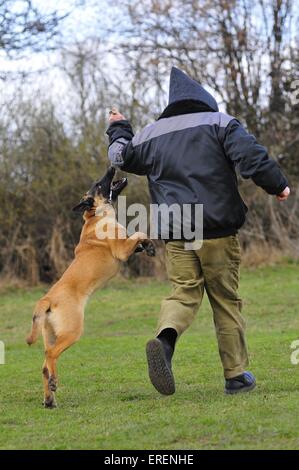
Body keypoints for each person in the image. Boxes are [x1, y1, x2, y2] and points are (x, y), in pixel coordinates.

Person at [106, 67, 290, 396]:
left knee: (183, 293)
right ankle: (235, 376)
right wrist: (277, 185)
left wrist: (119, 126)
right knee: (225, 300)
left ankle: (164, 342)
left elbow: (120, 156)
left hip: (177, 231)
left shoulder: (151, 134)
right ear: (204, 99)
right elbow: (251, 156)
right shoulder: (219, 123)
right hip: (216, 228)